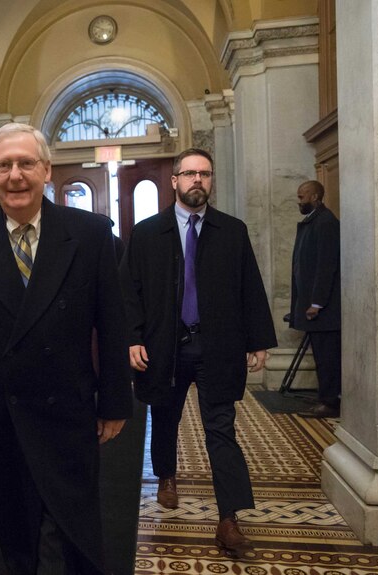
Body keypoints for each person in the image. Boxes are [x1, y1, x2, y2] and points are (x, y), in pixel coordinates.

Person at [0, 123, 133, 574]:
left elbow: (112, 324)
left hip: (68, 410)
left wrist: (115, 399)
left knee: (68, 523)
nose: (15, 175)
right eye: (4, 165)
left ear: (47, 170)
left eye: (26, 164)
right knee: (13, 525)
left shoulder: (91, 233)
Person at [119, 147, 277, 558]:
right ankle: (167, 476)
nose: (196, 181)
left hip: (217, 347)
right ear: (174, 180)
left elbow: (250, 288)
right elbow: (129, 291)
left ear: (211, 180)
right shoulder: (148, 232)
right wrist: (133, 337)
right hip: (164, 347)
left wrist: (258, 339)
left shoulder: (232, 231)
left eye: (204, 174)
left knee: (221, 430)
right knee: (165, 417)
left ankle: (229, 519)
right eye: (188, 173)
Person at [289, 180, 341, 418]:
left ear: (316, 197)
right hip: (313, 305)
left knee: (327, 357)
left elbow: (326, 266)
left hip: (325, 309)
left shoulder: (326, 222)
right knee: (321, 356)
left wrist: (317, 302)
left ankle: (330, 401)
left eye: (302, 197)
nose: (299, 201)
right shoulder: (314, 221)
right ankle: (325, 397)